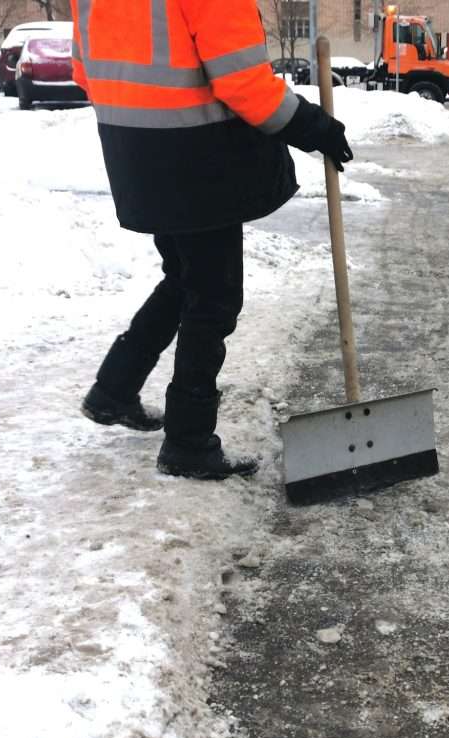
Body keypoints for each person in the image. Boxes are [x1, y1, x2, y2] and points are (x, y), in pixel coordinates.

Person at [69, 0, 353, 480]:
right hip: (198, 158)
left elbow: (84, 70)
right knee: (215, 298)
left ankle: (113, 390)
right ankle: (188, 442)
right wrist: (313, 126)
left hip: (134, 148)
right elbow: (243, 82)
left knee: (183, 279)